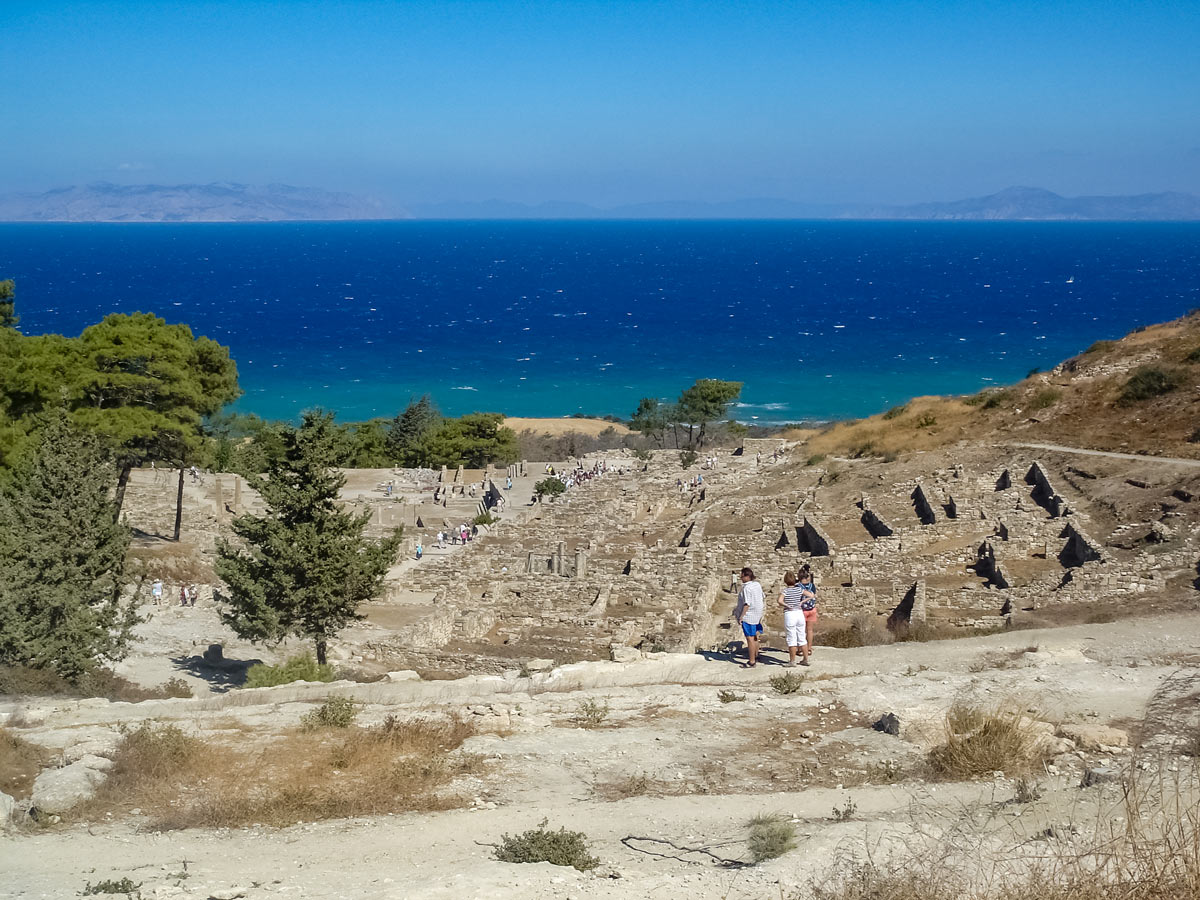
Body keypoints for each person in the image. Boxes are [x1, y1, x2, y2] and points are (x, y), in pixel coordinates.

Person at [733, 567, 765, 668]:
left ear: (747, 576)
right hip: (757, 614)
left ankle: (752, 661)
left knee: (750, 638)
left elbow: (747, 603)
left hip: (749, 616)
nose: (740, 577)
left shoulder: (746, 588)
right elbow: (762, 596)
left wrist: (741, 617)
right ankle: (756, 655)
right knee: (755, 636)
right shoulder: (757, 584)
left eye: (742, 575)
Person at [777, 571, 810, 667]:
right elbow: (811, 595)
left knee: (791, 638)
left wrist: (786, 605)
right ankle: (805, 659)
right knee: (802, 637)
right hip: (799, 613)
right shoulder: (799, 589)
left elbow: (779, 601)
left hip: (790, 614)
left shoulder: (785, 591)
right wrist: (802, 602)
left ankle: (792, 661)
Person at [798, 564, 818, 657]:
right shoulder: (812, 586)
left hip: (802, 611)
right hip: (812, 609)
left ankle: (801, 649)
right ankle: (809, 648)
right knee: (810, 630)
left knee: (801, 630)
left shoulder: (798, 586)